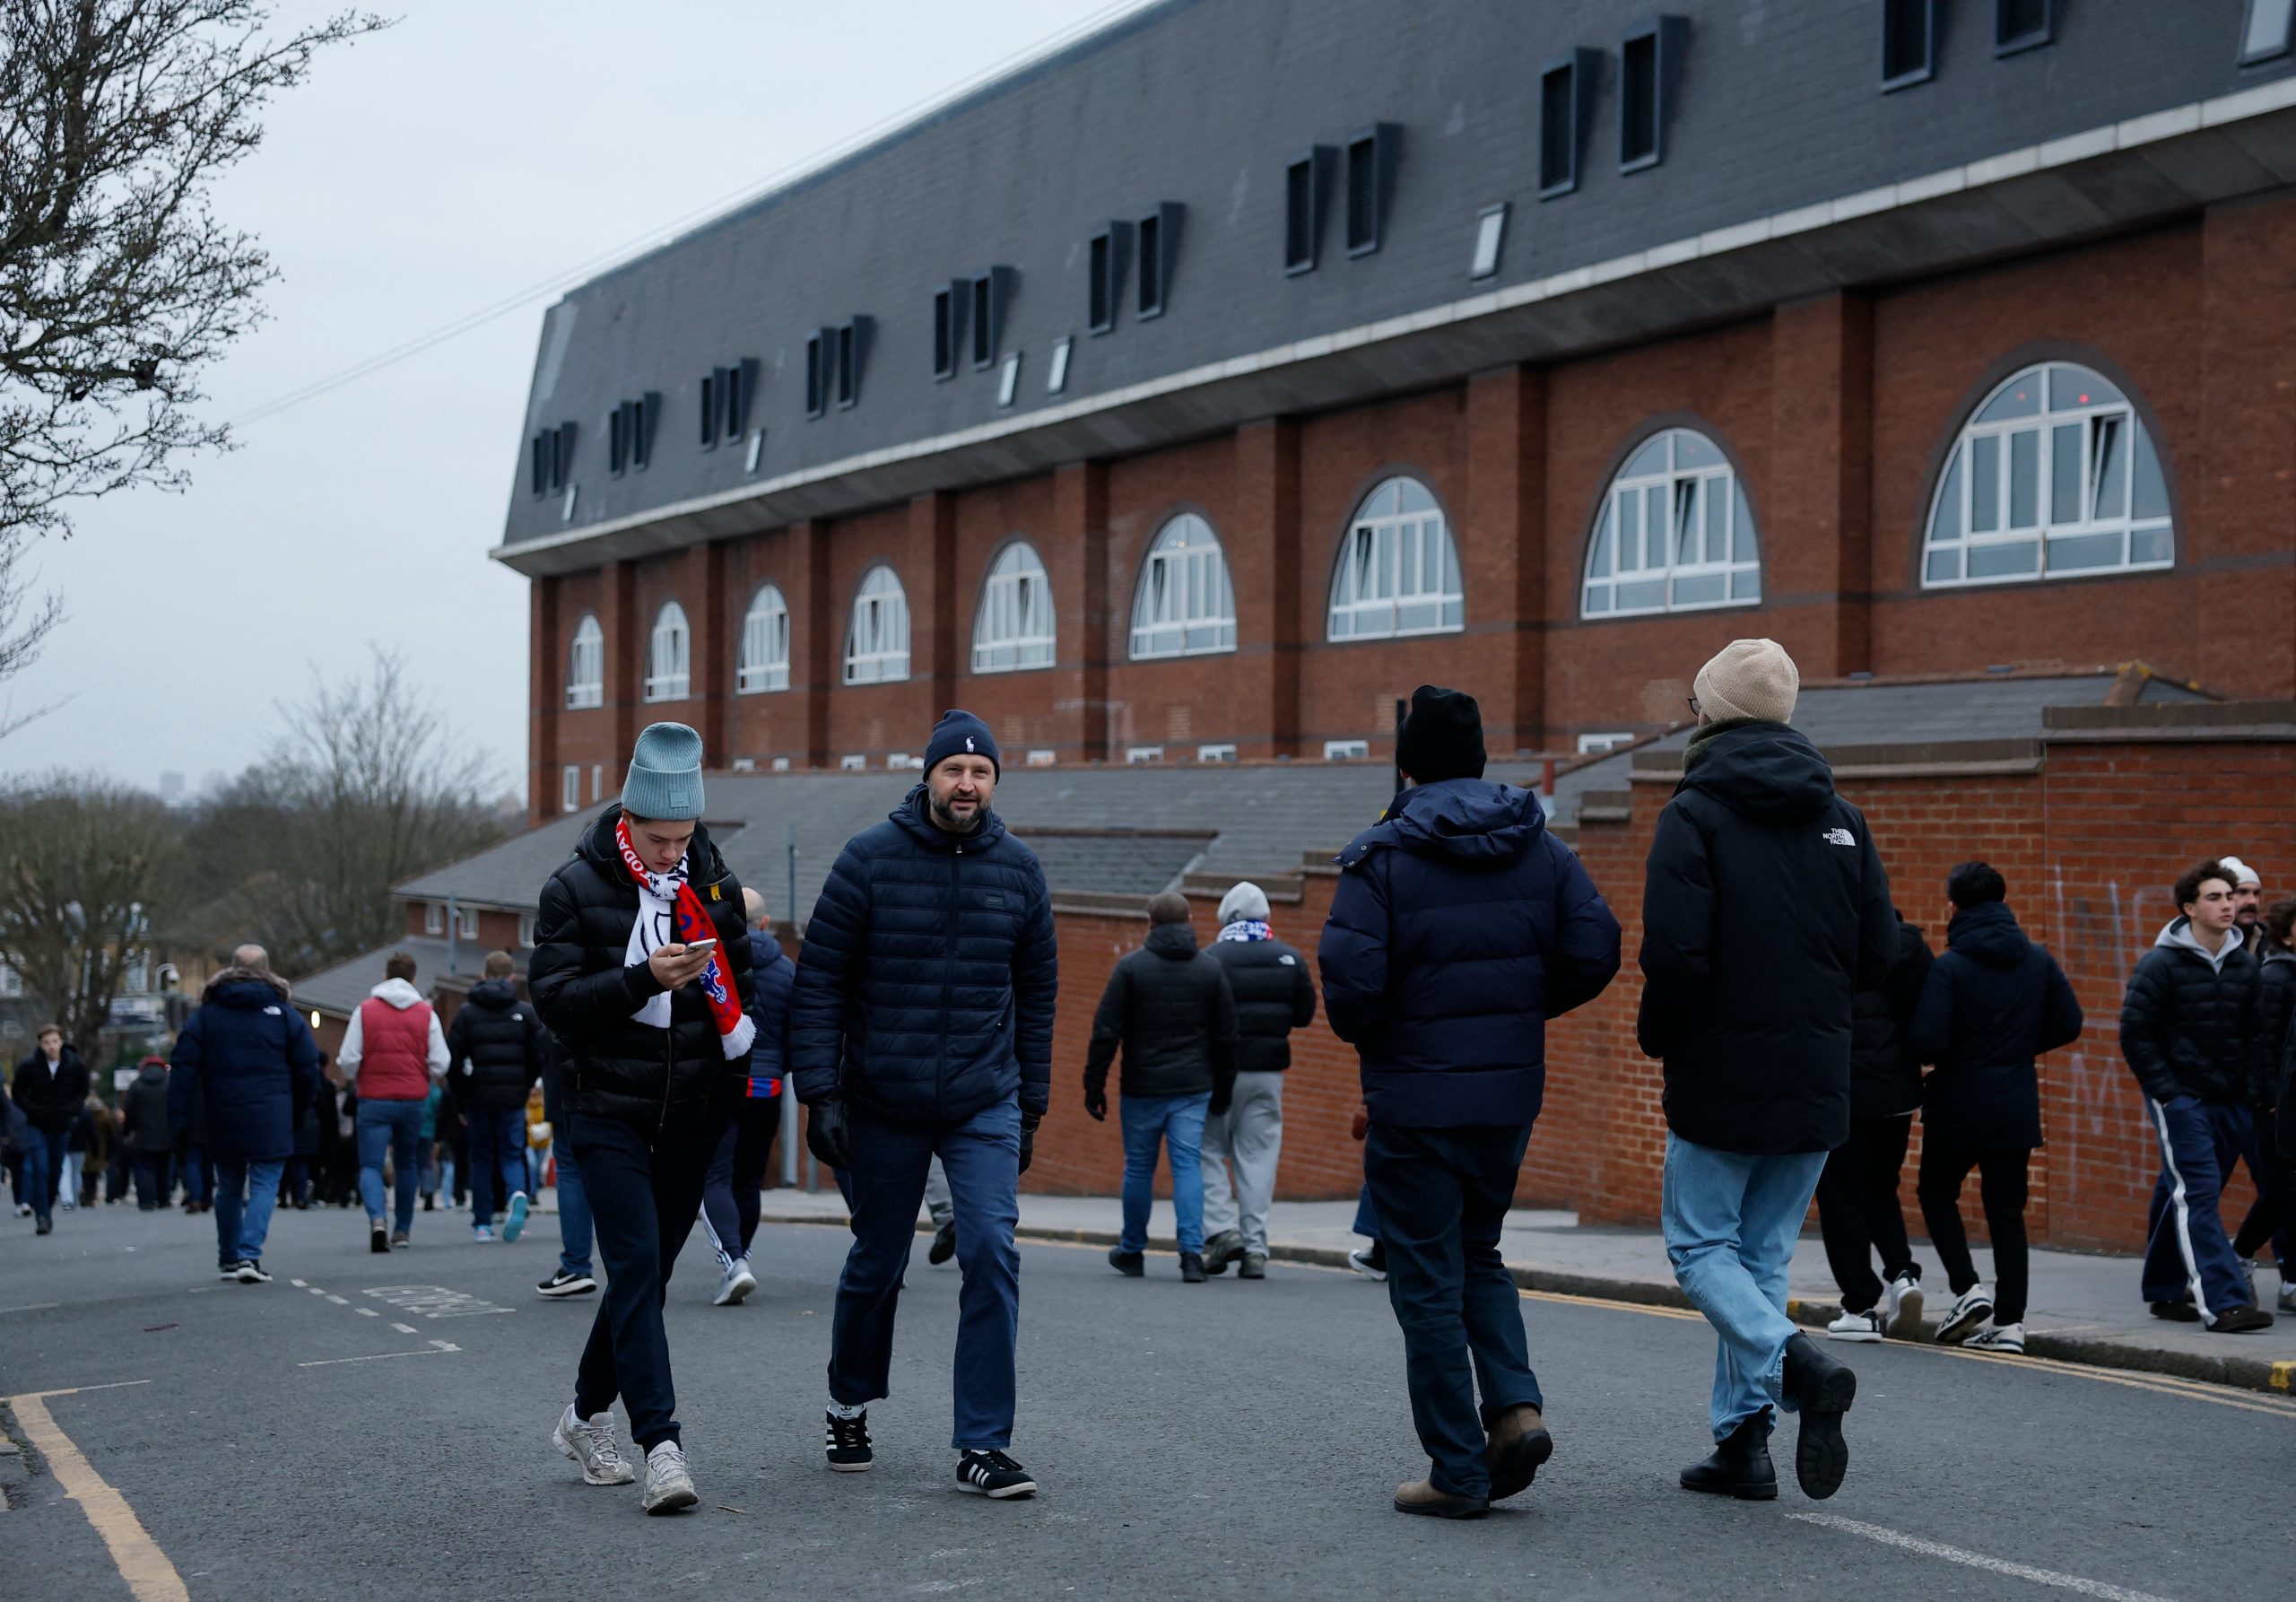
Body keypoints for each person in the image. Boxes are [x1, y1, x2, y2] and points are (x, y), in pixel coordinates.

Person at [1320, 684, 1622, 1519]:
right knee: (1479, 1252)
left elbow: (1349, 991)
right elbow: (1597, 948)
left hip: (1415, 1102)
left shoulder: (1379, 857)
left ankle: (1457, 1469)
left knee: (1425, 1279)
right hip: (1507, 1094)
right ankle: (1516, 1412)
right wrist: (1521, 1010)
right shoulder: (1542, 849)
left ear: (1407, 763)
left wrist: (1401, 1031)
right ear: (1483, 760)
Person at [1637, 640, 1892, 1504]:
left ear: (1709, 712)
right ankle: (1743, 1445)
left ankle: (1798, 1364)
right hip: (1819, 1067)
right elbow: (1880, 952)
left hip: (1720, 1068)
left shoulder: (1695, 813)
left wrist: (1659, 1035)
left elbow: (1674, 956)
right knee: (1763, 1257)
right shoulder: (1843, 817)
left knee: (1702, 1247)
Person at [792, 709, 1057, 1501]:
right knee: (879, 1261)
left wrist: (1032, 1106)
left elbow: (1039, 996)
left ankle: (983, 1444)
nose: (967, 784)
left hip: (984, 1097)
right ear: (929, 776)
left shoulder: (1020, 870)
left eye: (981, 773)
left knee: (990, 1249)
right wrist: (822, 1093)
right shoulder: (867, 861)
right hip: (882, 1096)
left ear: (994, 783)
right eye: (954, 771)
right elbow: (820, 986)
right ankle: (848, 1399)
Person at [530, 722, 758, 1515]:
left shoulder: (708, 874)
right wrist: (639, 980)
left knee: (649, 1277)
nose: (672, 856)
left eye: (685, 839)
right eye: (659, 841)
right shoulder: (573, 888)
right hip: (605, 1110)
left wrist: (732, 1078)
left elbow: (743, 971)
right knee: (632, 1268)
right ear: (628, 820)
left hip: (691, 1109)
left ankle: (585, 1415)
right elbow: (555, 1003)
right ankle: (662, 1445)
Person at [1908, 862, 2084, 1355]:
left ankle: (1968, 1289)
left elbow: (1927, 1040)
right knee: (2007, 1212)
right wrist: (2018, 1047)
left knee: (1936, 1192)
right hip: (2014, 1105)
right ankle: (2010, 1324)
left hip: (1958, 1104)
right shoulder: (2037, 959)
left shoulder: (1951, 965)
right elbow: (2070, 1023)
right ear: (2004, 901)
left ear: (1953, 906)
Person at [2120, 860, 2275, 1332]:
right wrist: (2168, 1093)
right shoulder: (2160, 964)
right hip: (2182, 1100)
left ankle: (2164, 1291)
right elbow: (2135, 1033)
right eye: (2214, 897)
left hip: (2231, 1099)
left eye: (2230, 897)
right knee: (2200, 1195)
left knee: (2182, 1192)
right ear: (2189, 908)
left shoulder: (2244, 966)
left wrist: (2250, 1092)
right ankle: (2223, 1303)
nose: (2227, 905)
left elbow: (2258, 1035)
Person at [1084, 892, 1239, 1283]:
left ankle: (1133, 1250)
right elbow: (1227, 1036)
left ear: (1149, 923)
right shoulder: (1209, 969)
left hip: (1142, 1086)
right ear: (1189, 919)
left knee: (1138, 1167)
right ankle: (1191, 1255)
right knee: (1187, 1165)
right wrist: (1223, 1088)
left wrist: (1094, 1084)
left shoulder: (1130, 968)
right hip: (1193, 1086)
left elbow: (1106, 1032)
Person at [168, 945, 323, 1284]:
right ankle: (249, 1255)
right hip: (273, 1110)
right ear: (268, 970)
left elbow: (183, 1066)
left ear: (232, 968)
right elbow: (308, 1066)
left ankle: (228, 1256)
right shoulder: (283, 1013)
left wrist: (179, 1116)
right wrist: (299, 1106)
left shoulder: (207, 1014)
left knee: (229, 1187)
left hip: (223, 1110)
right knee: (266, 1183)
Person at [1817, 910, 1932, 1343]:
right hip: (1896, 1094)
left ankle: (1860, 1307)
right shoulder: (1910, 952)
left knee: (1840, 1197)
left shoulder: (1829, 945)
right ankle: (1903, 1276)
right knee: (1882, 1187)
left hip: (1841, 1093)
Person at [1200, 880, 1318, 1280]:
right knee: (1259, 1157)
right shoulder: (1289, 957)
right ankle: (1255, 1248)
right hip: (1268, 1073)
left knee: (1208, 1150)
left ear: (1227, 916)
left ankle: (1220, 1230)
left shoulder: (1211, 958)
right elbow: (1303, 1015)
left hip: (1218, 1071)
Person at [699, 889, 794, 1306]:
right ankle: (741, 1258)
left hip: (719, 1083)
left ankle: (734, 1261)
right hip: (766, 1087)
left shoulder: (710, 963)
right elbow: (799, 1032)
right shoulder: (788, 970)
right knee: (749, 1180)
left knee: (713, 1178)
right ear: (765, 923)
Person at [339, 952, 449, 1252]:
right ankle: (402, 1229)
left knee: (371, 1166)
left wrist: (358, 1077)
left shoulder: (365, 1010)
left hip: (374, 1098)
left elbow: (348, 1058)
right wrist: (423, 1075)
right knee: (406, 1165)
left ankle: (377, 1218)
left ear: (385, 976)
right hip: (413, 1099)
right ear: (414, 979)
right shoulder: (426, 1014)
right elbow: (441, 1062)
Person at [446, 950, 546, 1244]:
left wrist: (462, 1099)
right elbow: (538, 1055)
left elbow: (453, 1061)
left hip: (478, 1096)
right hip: (513, 1097)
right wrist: (526, 1084)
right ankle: (517, 1193)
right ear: (511, 977)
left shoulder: (466, 1014)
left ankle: (482, 1223)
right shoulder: (524, 1013)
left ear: (483, 976)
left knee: (481, 1157)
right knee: (512, 1152)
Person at [2234, 897, 2296, 1310]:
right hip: (2276, 1109)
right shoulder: (2276, 978)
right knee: (2281, 1192)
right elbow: (2262, 1045)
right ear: (2288, 933)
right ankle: (2238, 1256)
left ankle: (2290, 1281)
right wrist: (2270, 1100)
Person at [530, 990, 596, 1299]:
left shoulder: (562, 959)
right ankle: (640, 1264)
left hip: (568, 1084)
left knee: (571, 1170)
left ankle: (576, 1264)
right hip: (621, 1082)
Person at [13, 1025, 88, 1232]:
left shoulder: (74, 1064)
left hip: (62, 1124)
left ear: (61, 1042)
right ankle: (43, 1217)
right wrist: (33, 1110)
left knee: (56, 1169)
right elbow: (19, 1093)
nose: (51, 1047)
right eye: (47, 1043)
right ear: (40, 1045)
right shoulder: (29, 1066)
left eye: (54, 1042)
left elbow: (82, 1092)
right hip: (37, 1124)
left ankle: (46, 1201)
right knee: (41, 1168)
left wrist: (70, 1111)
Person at [120, 1055, 173, 1211]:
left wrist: (127, 1131)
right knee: (164, 1167)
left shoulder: (136, 1085)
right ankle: (164, 1199)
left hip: (142, 1135)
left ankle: (146, 1201)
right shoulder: (169, 1083)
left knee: (144, 1169)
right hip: (166, 1134)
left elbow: (128, 1111)